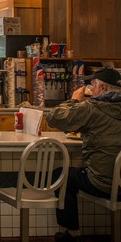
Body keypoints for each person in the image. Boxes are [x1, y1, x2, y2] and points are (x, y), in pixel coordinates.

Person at [47, 68, 121, 242]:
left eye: (92, 86)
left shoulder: (92, 108)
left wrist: (73, 100)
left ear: (102, 88)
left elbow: (54, 117)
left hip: (103, 184)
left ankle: (70, 234)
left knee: (63, 175)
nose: (91, 90)